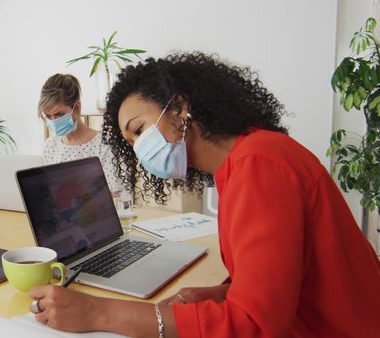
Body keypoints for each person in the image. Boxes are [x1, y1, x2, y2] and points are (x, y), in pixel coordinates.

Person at [29, 53, 380, 337]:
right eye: (132, 143)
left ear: (180, 108)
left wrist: (97, 310)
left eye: (139, 130)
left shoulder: (259, 164)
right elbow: (279, 282)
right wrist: (220, 294)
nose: (140, 150)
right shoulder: (242, 164)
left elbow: (254, 326)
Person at [39, 74, 123, 192]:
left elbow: (116, 195)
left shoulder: (104, 145)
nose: (54, 121)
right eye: (48, 116)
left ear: (77, 107)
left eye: (59, 114)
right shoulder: (50, 147)